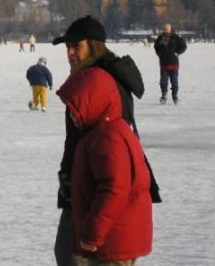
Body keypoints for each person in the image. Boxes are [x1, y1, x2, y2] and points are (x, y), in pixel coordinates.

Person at [51, 15, 160, 266]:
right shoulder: (91, 77)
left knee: (81, 256)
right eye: (67, 47)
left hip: (99, 187)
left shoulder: (100, 81)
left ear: (94, 45)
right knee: (70, 253)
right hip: (85, 183)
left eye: (76, 46)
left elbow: (113, 157)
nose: (69, 53)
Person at [154, 23, 187, 105]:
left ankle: (175, 96)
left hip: (173, 63)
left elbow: (184, 46)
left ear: (171, 29)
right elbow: (156, 47)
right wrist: (160, 54)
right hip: (163, 64)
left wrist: (177, 53)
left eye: (167, 29)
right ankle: (164, 95)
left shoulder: (176, 37)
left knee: (174, 82)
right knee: (163, 81)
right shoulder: (161, 37)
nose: (165, 30)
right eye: (164, 29)